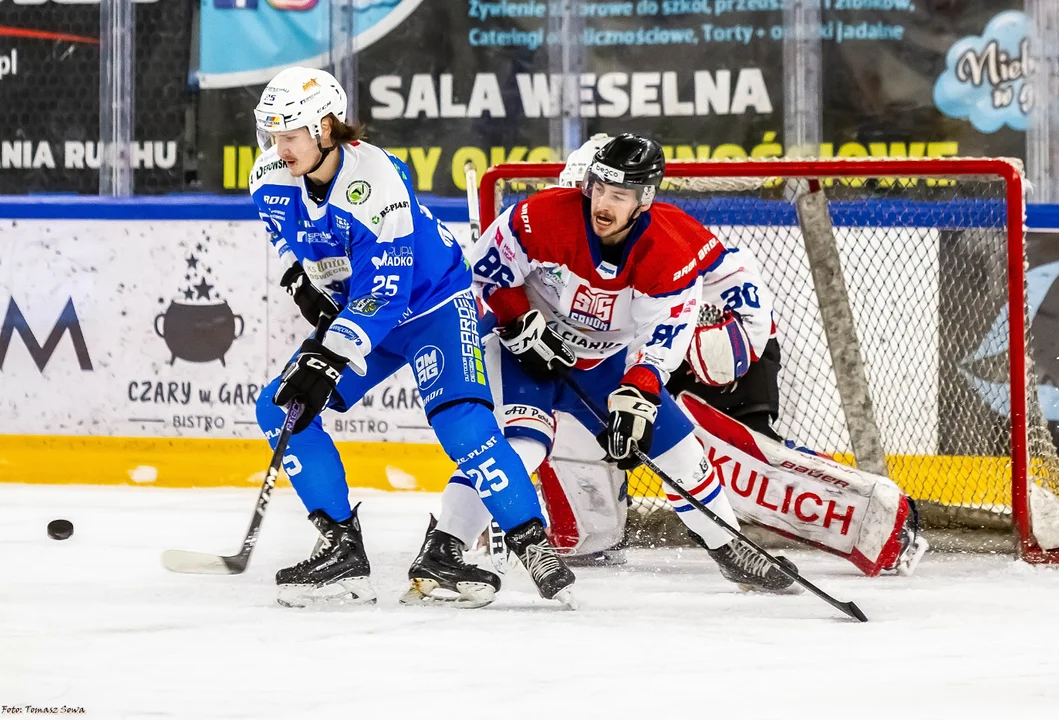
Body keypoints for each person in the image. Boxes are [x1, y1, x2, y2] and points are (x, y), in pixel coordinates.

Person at [248, 67, 576, 609]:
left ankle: (532, 543)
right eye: (272, 135)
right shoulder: (270, 176)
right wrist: (298, 282)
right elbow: (285, 236)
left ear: (326, 128)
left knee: (462, 424)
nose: (277, 148)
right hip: (362, 312)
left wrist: (328, 356)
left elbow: (387, 293)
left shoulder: (378, 182)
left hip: (433, 307)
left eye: (289, 134)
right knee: (281, 407)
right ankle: (341, 550)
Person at [535, 136, 928, 577]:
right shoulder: (571, 237)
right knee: (572, 420)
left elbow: (738, 320)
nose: (587, 207)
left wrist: (697, 348)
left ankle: (881, 520)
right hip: (651, 363)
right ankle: (591, 535)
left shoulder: (670, 241)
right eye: (582, 195)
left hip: (721, 355)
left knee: (732, 460)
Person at [436, 132, 801, 594]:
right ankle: (443, 546)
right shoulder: (543, 216)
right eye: (596, 189)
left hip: (604, 360)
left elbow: (663, 336)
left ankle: (728, 548)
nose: (600, 204)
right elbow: (487, 272)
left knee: (682, 452)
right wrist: (518, 322)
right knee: (519, 448)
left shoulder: (668, 248)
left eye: (619, 194)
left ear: (643, 199)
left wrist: (640, 392)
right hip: (526, 352)